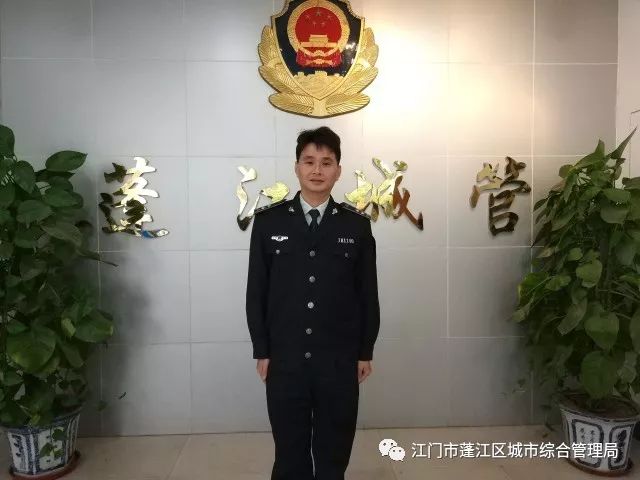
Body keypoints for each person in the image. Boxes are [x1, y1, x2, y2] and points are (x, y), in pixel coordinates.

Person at [246, 126, 380, 480]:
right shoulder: (269, 222)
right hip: (285, 358)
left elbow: (368, 295)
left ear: (338, 170)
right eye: (309, 161)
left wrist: (364, 351)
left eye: (326, 162)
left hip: (338, 359)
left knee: (334, 452)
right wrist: (262, 349)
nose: (317, 170)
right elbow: (256, 291)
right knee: (289, 454)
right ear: (296, 167)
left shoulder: (356, 226)